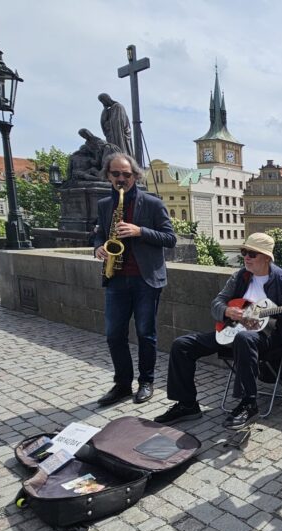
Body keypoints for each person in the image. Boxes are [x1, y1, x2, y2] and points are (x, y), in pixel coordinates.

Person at [156, 232, 282, 428]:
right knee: (182, 345)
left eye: (252, 254)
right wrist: (228, 311)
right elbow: (216, 304)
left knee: (245, 339)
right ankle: (187, 404)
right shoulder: (240, 276)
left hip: (268, 337)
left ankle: (249, 404)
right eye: (245, 252)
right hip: (233, 330)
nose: (246, 257)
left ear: (267, 257)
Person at [93, 153, 177, 406]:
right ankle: (122, 385)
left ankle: (146, 382)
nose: (121, 179)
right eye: (116, 174)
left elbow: (170, 238)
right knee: (113, 335)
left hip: (145, 279)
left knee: (145, 334)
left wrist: (139, 231)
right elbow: (98, 235)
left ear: (135, 176)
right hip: (116, 277)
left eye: (126, 175)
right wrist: (98, 247)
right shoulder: (105, 205)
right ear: (108, 175)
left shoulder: (152, 204)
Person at [99, 93, 134, 160]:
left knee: (120, 151)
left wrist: (108, 124)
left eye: (103, 100)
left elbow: (117, 121)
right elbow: (103, 122)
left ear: (107, 99)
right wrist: (105, 111)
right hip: (112, 134)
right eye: (101, 101)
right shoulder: (108, 110)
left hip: (120, 134)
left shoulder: (118, 106)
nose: (102, 102)